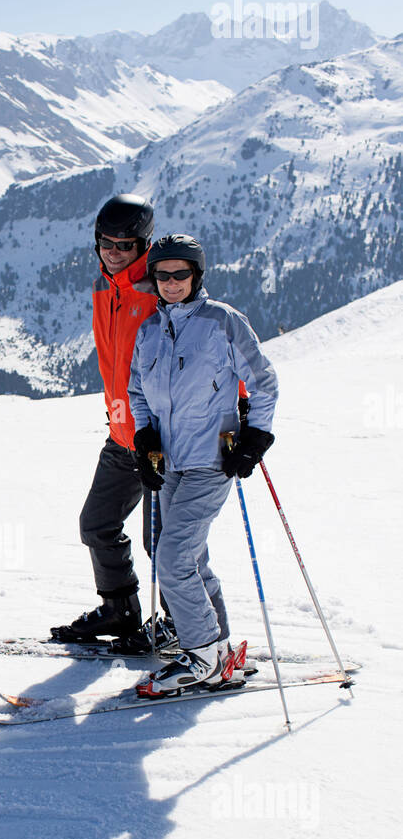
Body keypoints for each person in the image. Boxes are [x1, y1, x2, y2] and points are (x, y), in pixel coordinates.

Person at [127, 235, 278, 695]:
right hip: (170, 460)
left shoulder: (222, 322)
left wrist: (256, 437)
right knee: (183, 555)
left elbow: (264, 381)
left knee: (173, 559)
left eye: (181, 274)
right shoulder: (151, 330)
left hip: (213, 461)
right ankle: (222, 649)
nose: (171, 283)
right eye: (163, 275)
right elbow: (137, 391)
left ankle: (201, 657)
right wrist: (144, 435)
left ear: (197, 276)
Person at [51, 194, 174, 648]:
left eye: (126, 244)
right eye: (107, 242)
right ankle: (119, 611)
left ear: (144, 245)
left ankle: (183, 626)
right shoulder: (106, 289)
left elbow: (212, 346)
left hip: (163, 440)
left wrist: (240, 408)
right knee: (97, 525)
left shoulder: (161, 289)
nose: (115, 251)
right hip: (122, 437)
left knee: (162, 544)